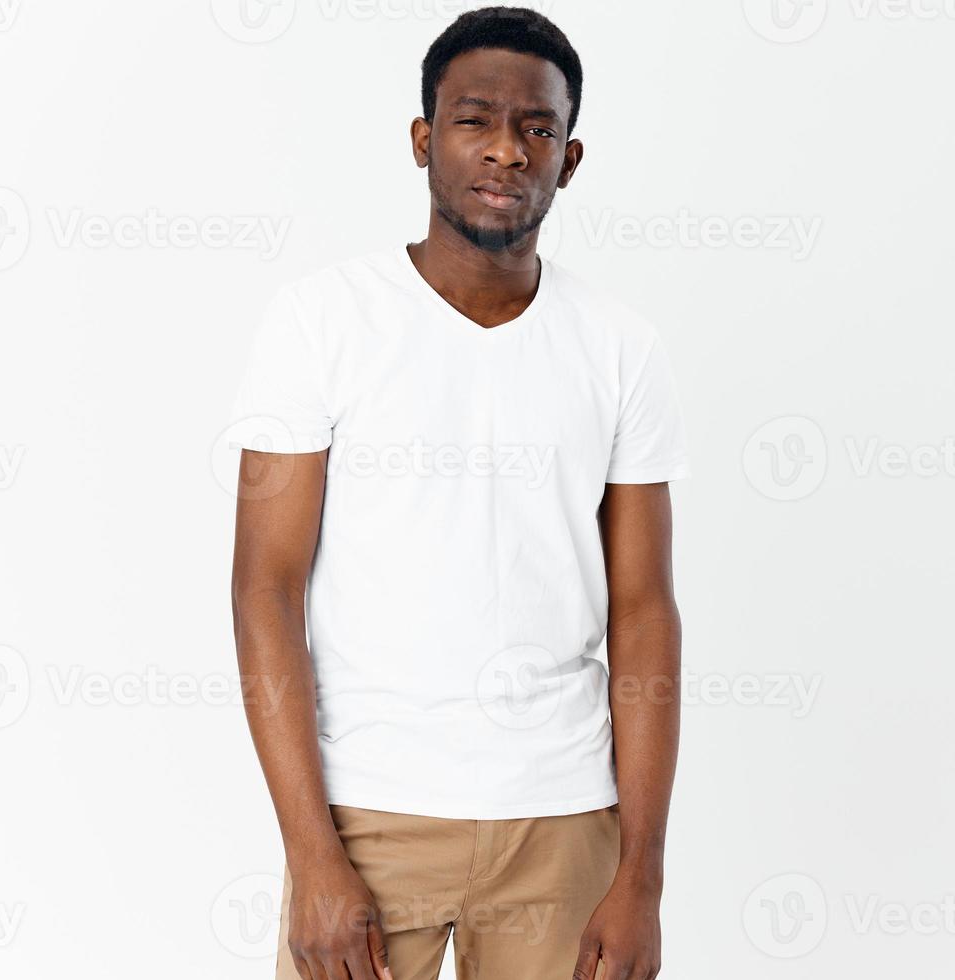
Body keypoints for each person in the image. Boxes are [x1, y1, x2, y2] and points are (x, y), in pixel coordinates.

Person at [229, 8, 690, 979]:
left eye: (537, 128)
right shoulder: (322, 322)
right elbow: (265, 587)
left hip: (562, 824)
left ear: (569, 159)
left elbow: (645, 611)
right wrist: (312, 851)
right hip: (367, 816)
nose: (507, 150)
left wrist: (639, 874)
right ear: (424, 139)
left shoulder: (620, 347)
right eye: (476, 119)